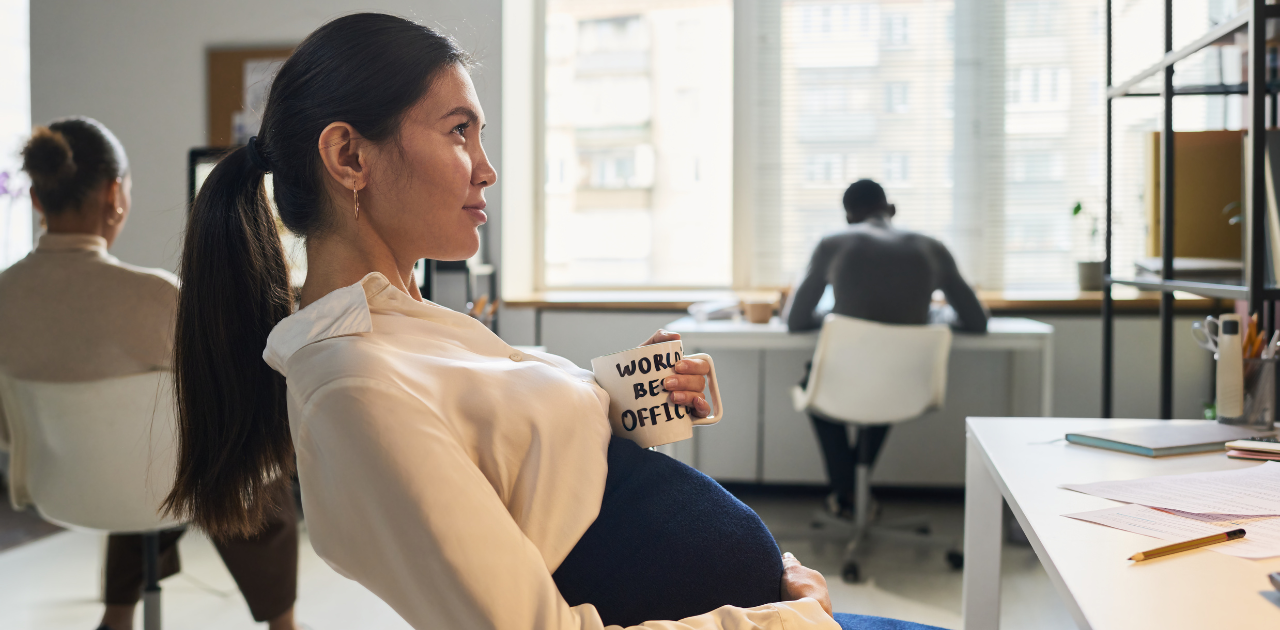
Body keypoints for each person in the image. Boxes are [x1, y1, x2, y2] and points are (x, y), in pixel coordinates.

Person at [162, 13, 944, 630]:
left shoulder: (410, 324)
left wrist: (640, 394)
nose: (486, 166)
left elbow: (520, 465)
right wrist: (787, 619)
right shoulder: (353, 385)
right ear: (350, 158)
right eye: (458, 130)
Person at [0, 118, 300, 630]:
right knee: (245, 458)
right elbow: (232, 394)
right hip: (157, 483)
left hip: (58, 486)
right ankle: (284, 625)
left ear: (38, 199)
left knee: (142, 450)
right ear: (115, 193)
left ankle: (117, 617)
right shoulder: (158, 298)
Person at [783, 179, 988, 516]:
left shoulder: (833, 243)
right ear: (891, 209)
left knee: (814, 382)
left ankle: (846, 492)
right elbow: (977, 321)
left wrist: (835, 317)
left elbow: (795, 320)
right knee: (886, 378)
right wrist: (932, 316)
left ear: (848, 218)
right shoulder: (933, 247)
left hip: (842, 382)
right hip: (906, 384)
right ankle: (852, 494)